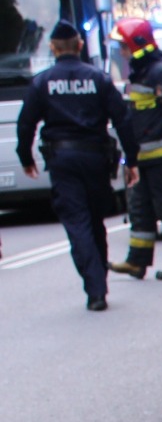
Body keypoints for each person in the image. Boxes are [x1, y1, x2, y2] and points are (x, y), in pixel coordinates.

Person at [13, 19, 140, 310]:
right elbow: (122, 119)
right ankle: (99, 279)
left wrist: (26, 158)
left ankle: (95, 287)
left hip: (62, 161)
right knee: (95, 221)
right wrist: (131, 159)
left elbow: (26, 124)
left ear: (53, 48)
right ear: (80, 46)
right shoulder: (98, 78)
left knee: (77, 222)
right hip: (96, 159)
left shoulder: (42, 82)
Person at [105, 18, 162, 282]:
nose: (122, 52)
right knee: (140, 209)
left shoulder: (161, 72)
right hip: (143, 155)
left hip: (161, 155)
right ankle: (137, 261)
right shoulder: (142, 72)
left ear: (138, 45)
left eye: (124, 46)